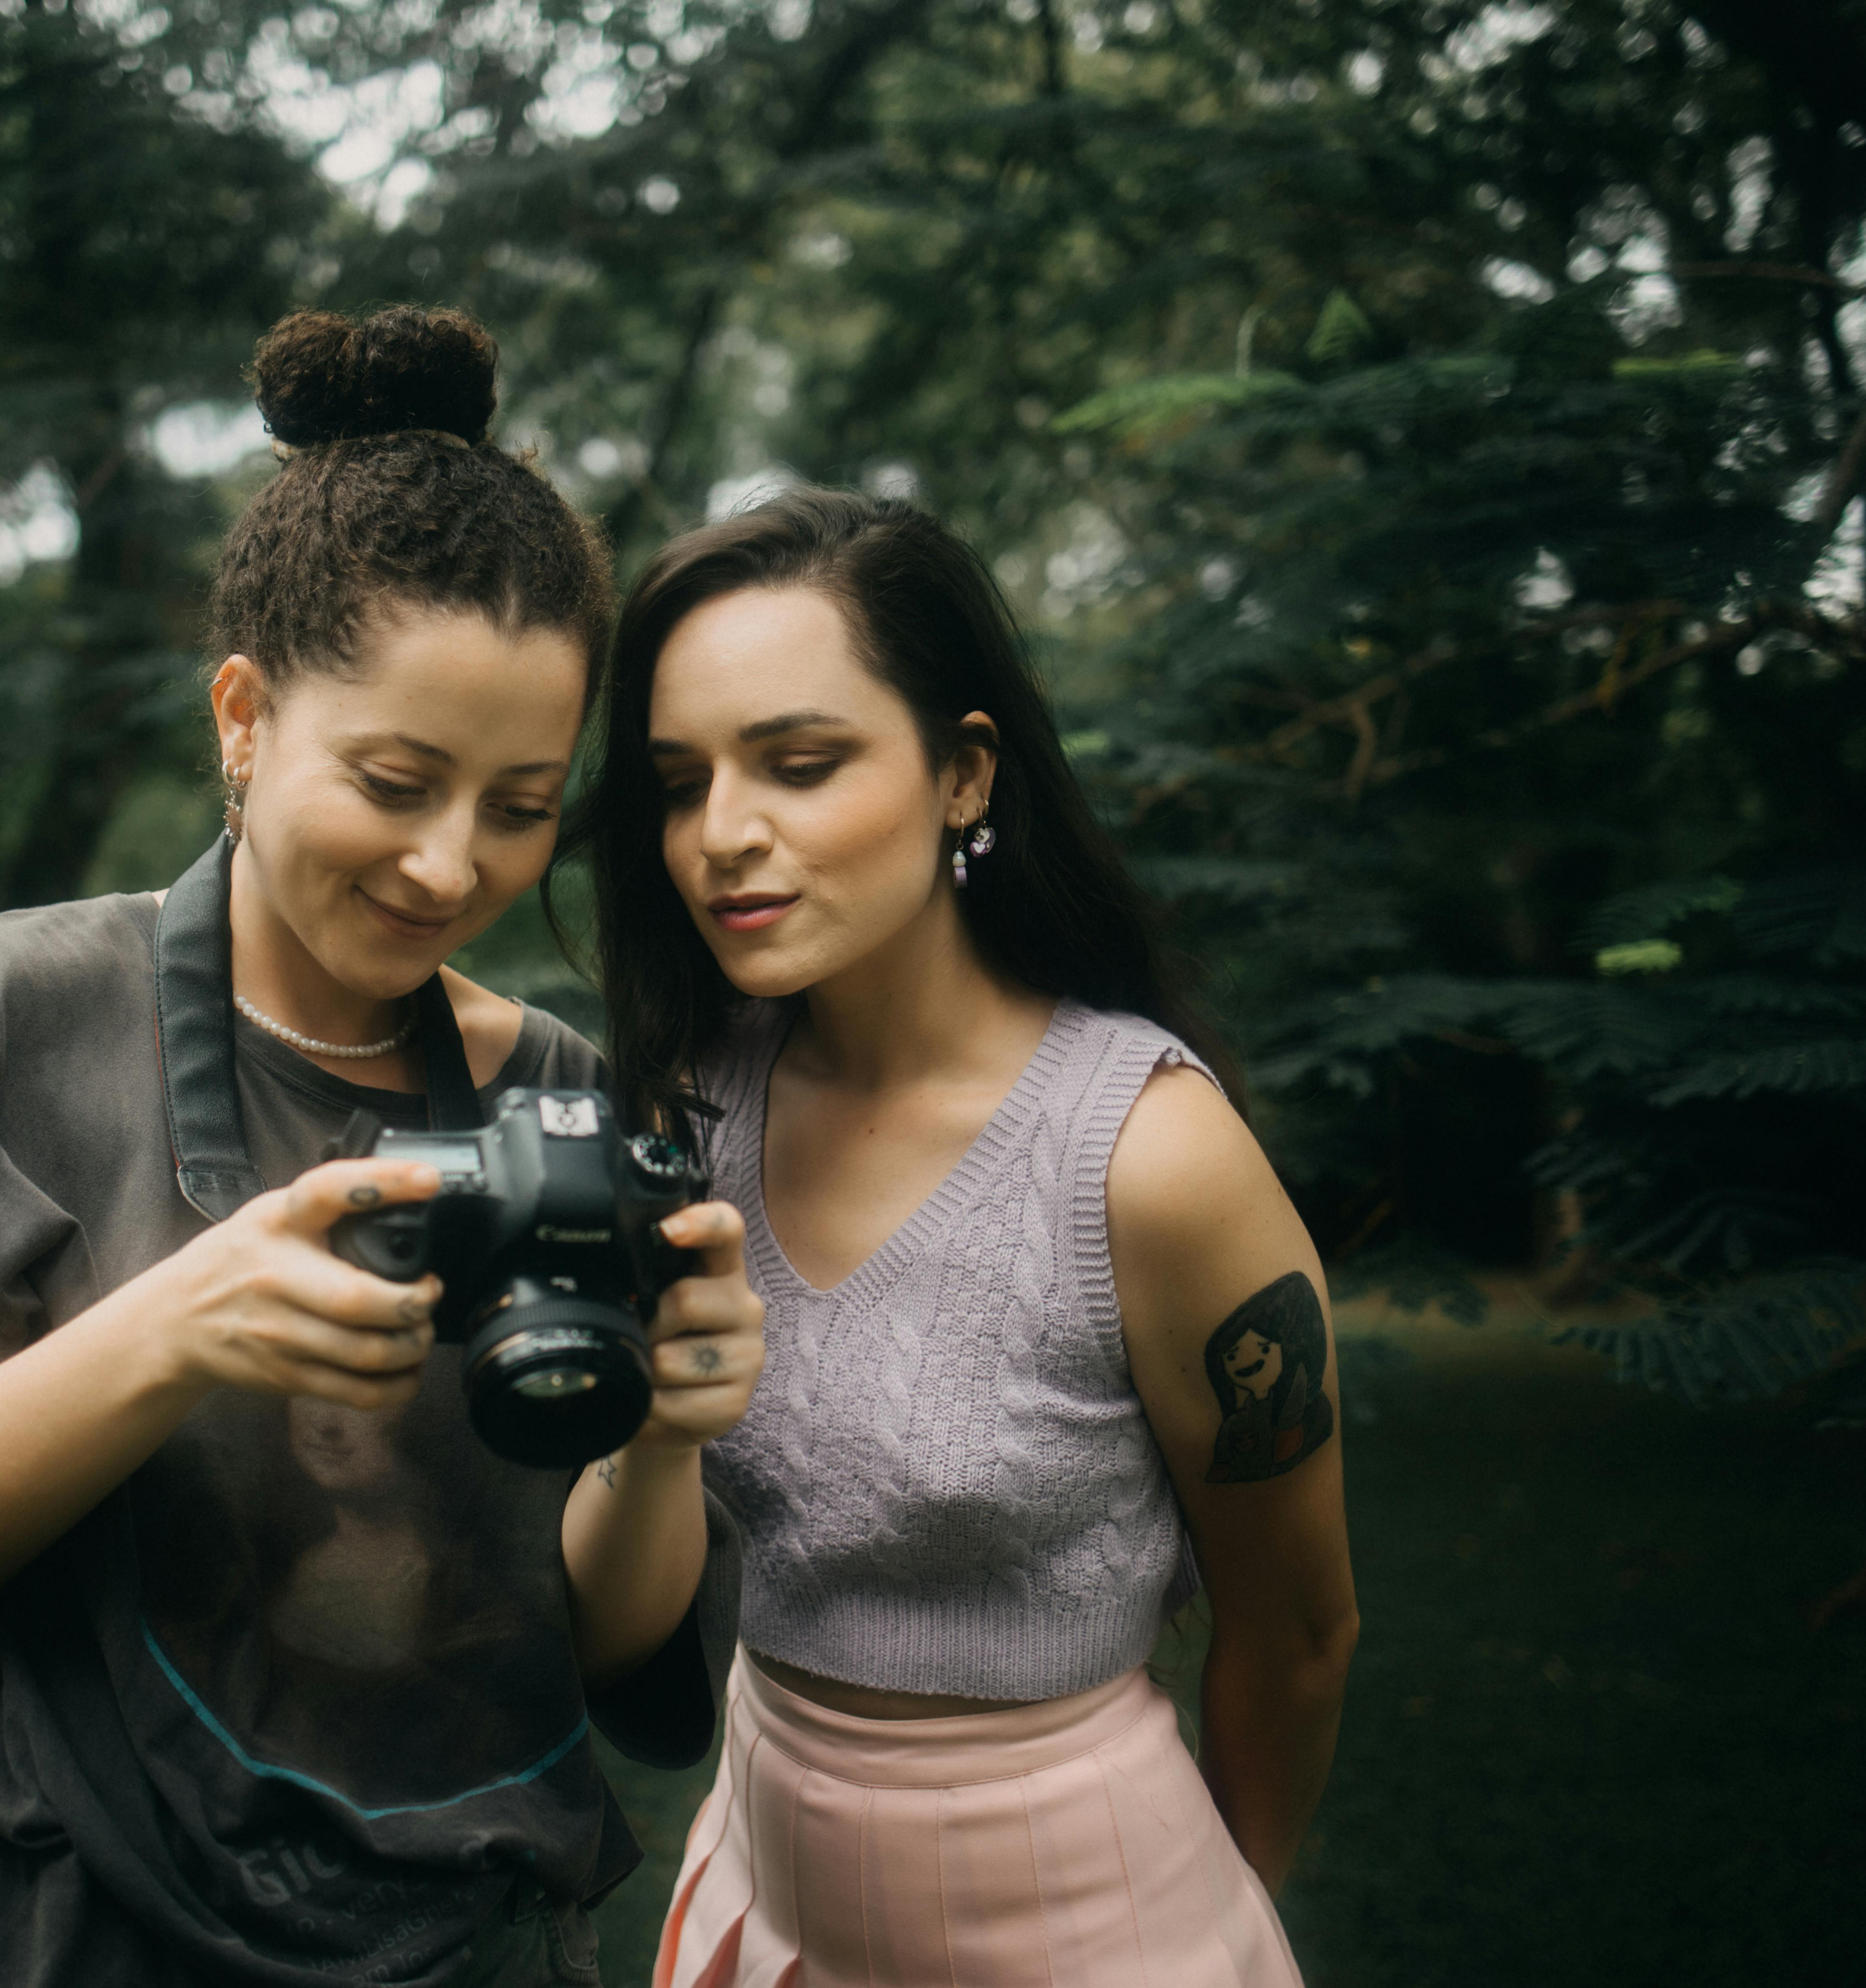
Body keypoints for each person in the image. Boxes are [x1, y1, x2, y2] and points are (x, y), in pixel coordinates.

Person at [0, 305, 766, 1988]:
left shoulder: (562, 1096)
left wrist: (664, 1440)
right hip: (67, 1934)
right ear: (243, 715)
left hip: (486, 1946)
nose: (451, 867)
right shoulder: (5, 1012)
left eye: (521, 807)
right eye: (393, 780)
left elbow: (601, 1650)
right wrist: (176, 1327)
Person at [575, 488, 1358, 1987]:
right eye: (680, 784)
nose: (723, 836)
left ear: (964, 775)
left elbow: (1302, 1628)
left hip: (1093, 1917)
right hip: (763, 1887)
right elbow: (624, 1609)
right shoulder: (692, 1111)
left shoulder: (1150, 1160)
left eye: (802, 765)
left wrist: (1216, 1921)